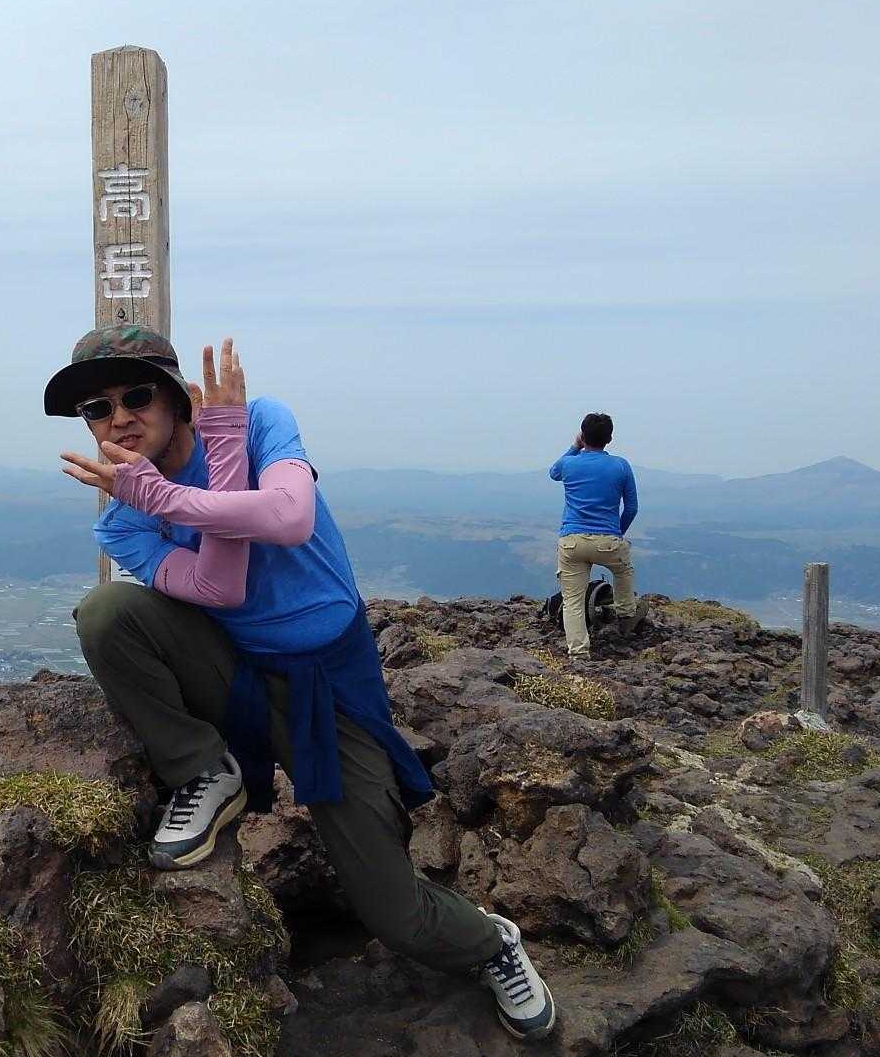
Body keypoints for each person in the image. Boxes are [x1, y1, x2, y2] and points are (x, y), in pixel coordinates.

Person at [50, 325, 556, 1040]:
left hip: (332, 689)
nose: (119, 418)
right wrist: (160, 498)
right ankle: (207, 770)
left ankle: (492, 943)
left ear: (177, 395)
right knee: (108, 612)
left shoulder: (260, 421)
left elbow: (288, 518)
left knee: (395, 913)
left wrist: (188, 480)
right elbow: (222, 588)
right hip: (236, 672)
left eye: (136, 395)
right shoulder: (125, 519)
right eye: (98, 409)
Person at [549, 413, 640, 659]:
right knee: (623, 571)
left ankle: (579, 654)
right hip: (608, 541)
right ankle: (626, 614)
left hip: (572, 541)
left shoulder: (569, 464)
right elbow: (631, 508)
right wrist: (617, 533)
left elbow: (553, 472)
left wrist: (574, 446)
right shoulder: (621, 466)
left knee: (573, 600)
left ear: (582, 435)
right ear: (609, 438)